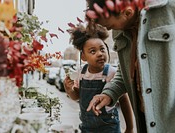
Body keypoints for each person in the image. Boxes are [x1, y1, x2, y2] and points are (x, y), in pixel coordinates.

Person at [85, 0, 175, 133]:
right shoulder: (121, 29)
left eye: (110, 26)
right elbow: (125, 72)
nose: (110, 30)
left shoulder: (170, 9)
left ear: (127, 12)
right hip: (145, 122)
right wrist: (109, 94)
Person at [64, 23, 134, 133]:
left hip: (109, 127)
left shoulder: (111, 72)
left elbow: (124, 100)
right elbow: (77, 97)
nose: (100, 54)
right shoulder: (81, 73)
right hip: (87, 127)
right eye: (93, 51)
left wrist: (130, 128)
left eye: (102, 49)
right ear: (83, 56)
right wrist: (70, 90)